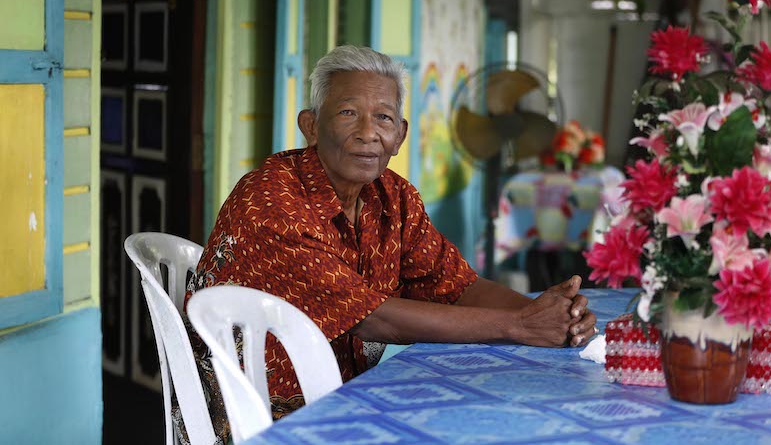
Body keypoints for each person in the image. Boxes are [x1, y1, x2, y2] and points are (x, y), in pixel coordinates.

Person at [187, 45, 597, 419]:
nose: (368, 133)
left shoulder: (394, 197)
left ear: (399, 135)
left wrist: (549, 315)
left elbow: (456, 285)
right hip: (252, 414)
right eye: (348, 113)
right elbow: (373, 319)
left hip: (340, 395)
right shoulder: (272, 198)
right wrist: (519, 325)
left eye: (383, 117)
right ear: (310, 126)